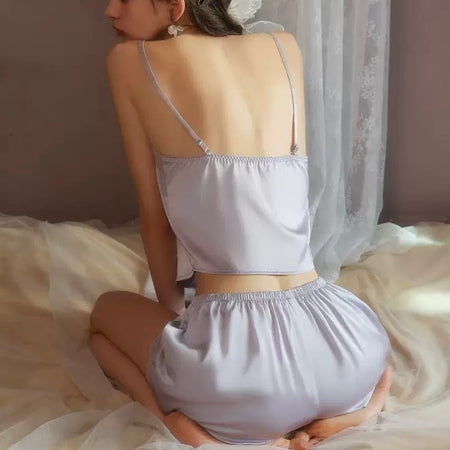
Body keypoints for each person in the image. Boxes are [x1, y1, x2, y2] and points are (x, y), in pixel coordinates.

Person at [89, 1, 393, 448]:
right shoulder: (283, 46)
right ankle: (362, 408)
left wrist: (174, 321)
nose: (110, 11)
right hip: (343, 352)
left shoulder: (130, 61)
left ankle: (181, 427)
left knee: (102, 318)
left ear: (175, 5)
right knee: (378, 361)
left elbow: (155, 221)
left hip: (238, 384)